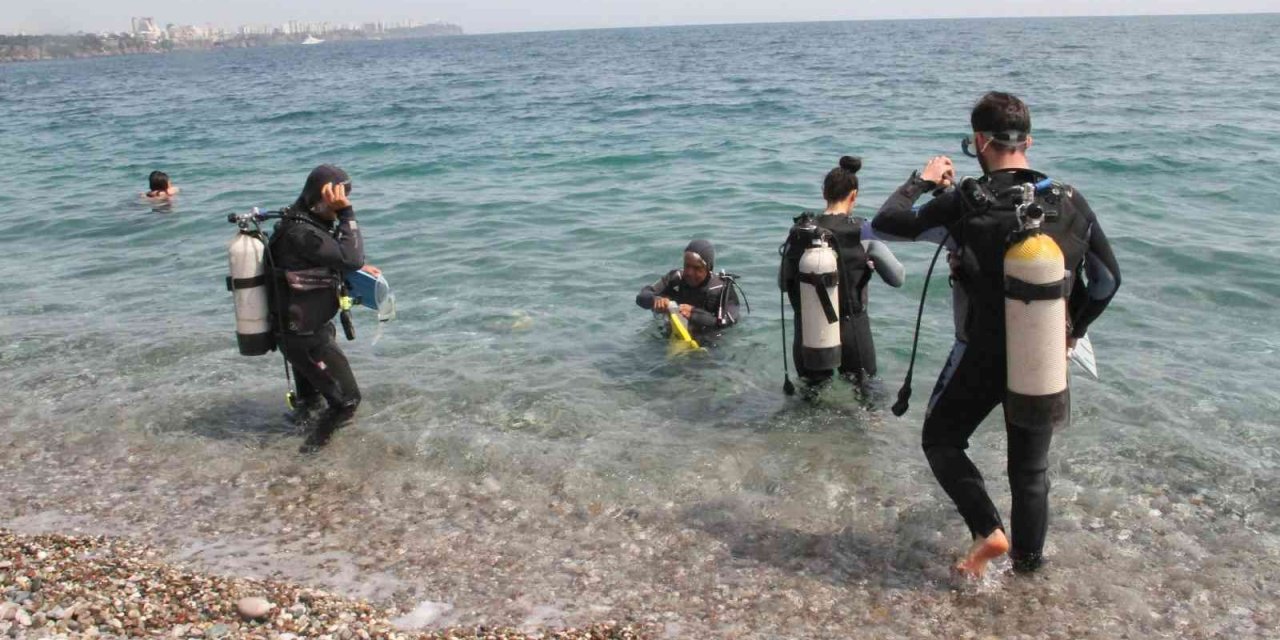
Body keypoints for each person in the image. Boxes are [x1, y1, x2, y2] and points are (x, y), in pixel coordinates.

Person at [872, 92, 1121, 577]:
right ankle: (1028, 577)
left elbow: (886, 222)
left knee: (941, 440)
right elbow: (1108, 281)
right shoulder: (1068, 201)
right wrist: (1075, 329)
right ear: (1028, 140)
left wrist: (919, 182)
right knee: (1030, 474)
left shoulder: (965, 200)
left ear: (980, 142)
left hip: (981, 352)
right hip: (1043, 353)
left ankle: (989, 531)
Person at [268, 164, 379, 453]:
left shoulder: (301, 224)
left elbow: (333, 257)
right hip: (305, 337)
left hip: (301, 331)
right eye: (338, 200)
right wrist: (347, 214)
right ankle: (308, 458)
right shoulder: (301, 232)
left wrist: (347, 263)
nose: (341, 206)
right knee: (347, 401)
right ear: (323, 197)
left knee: (311, 402)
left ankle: (294, 454)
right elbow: (350, 257)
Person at [782, 156, 904, 393]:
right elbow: (898, 278)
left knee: (809, 398)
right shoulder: (863, 230)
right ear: (854, 195)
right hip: (853, 330)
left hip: (809, 330)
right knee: (868, 398)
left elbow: (783, 285)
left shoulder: (799, 232)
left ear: (824, 193)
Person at [636, 239, 740, 337]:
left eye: (696, 268)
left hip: (708, 340)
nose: (689, 272)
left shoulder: (721, 289)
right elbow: (641, 297)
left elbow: (729, 322)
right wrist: (655, 300)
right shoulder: (675, 278)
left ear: (709, 268)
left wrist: (694, 314)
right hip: (670, 334)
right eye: (687, 266)